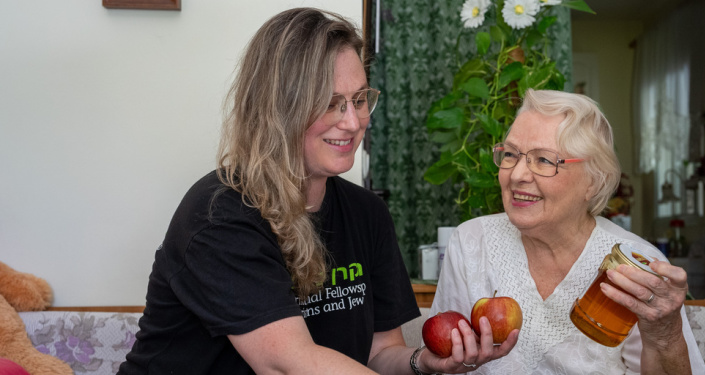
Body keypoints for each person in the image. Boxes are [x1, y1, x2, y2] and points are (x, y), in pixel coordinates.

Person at [118, 8, 516, 374]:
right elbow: (290, 365)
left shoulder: (366, 212)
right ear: (277, 109)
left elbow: (378, 353)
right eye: (329, 103)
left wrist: (422, 363)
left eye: (360, 100)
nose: (353, 122)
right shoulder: (219, 214)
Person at [430, 89, 705, 374]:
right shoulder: (471, 242)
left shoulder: (634, 263)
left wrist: (666, 335)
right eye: (511, 154)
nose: (517, 175)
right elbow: (446, 362)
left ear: (593, 182)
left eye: (544, 160)